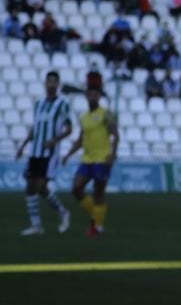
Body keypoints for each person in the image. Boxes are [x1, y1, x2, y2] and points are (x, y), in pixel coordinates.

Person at [15, 71, 73, 235]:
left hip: (49, 152)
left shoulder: (63, 104)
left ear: (58, 85)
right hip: (35, 151)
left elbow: (70, 129)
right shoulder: (38, 103)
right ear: (45, 84)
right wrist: (23, 145)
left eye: (55, 82)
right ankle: (37, 225)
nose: (51, 84)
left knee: (40, 186)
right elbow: (35, 128)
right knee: (30, 187)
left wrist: (54, 140)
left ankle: (62, 212)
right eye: (49, 81)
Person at [62, 87, 119, 236]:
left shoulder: (106, 114)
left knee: (98, 192)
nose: (93, 97)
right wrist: (68, 154)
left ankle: (97, 227)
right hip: (87, 159)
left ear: (99, 96)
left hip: (102, 158)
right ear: (86, 96)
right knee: (76, 188)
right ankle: (95, 216)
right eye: (90, 94)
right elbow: (81, 140)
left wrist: (113, 154)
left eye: (95, 94)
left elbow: (115, 135)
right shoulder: (84, 117)